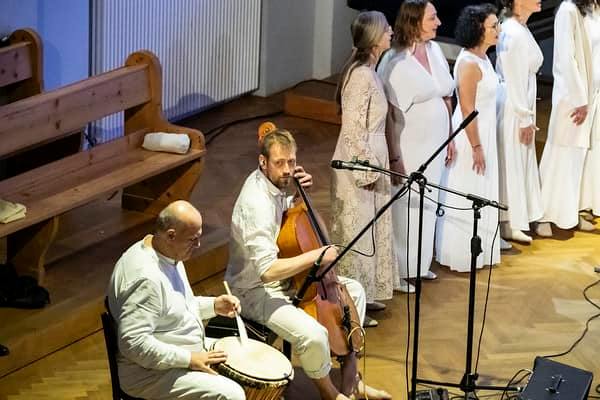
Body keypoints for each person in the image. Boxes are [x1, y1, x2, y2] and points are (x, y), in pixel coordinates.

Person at [225, 128, 391, 400]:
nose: (287, 170)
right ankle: (330, 393)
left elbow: (286, 229)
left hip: (289, 279)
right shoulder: (255, 203)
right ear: (262, 162)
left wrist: (298, 196)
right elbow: (267, 271)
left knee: (354, 293)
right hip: (254, 290)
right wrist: (317, 256)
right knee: (312, 334)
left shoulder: (276, 185)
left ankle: (351, 380)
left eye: (291, 161)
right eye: (279, 163)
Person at [107, 200, 246, 400]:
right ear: (171, 235)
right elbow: (133, 343)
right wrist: (189, 359)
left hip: (182, 352)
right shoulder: (147, 279)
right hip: (150, 374)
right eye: (193, 239)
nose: (198, 245)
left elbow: (175, 308)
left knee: (244, 355)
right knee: (232, 395)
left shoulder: (166, 251)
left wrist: (214, 305)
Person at [378, 0, 456, 291]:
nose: (439, 23)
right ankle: (399, 271)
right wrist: (394, 156)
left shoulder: (435, 50)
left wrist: (450, 136)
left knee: (429, 201)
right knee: (406, 206)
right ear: (414, 21)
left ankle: (419, 265)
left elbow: (446, 96)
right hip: (409, 143)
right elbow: (388, 112)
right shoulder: (394, 59)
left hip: (436, 142)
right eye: (432, 18)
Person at [330, 11, 396, 323]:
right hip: (359, 164)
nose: (391, 31)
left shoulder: (370, 72)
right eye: (386, 29)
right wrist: (365, 169)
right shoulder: (360, 77)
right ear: (373, 38)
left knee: (370, 232)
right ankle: (350, 306)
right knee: (356, 234)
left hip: (373, 159)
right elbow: (353, 130)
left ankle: (365, 295)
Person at [436, 4, 503, 272]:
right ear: (478, 30)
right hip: (470, 135)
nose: (498, 30)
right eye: (493, 26)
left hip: (484, 130)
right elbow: (467, 109)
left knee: (482, 187)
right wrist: (476, 146)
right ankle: (461, 252)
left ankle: (481, 249)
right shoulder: (468, 64)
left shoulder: (484, 58)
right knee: (467, 189)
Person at [538, 0, 599, 233]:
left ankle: (572, 212)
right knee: (561, 154)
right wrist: (579, 98)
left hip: (591, 95)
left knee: (579, 158)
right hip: (573, 97)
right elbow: (566, 58)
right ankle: (544, 216)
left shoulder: (592, 10)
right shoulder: (567, 10)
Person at [495, 0, 546, 242]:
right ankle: (509, 221)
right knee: (512, 160)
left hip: (522, 102)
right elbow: (513, 78)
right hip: (513, 107)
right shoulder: (511, 32)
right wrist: (524, 116)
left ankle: (518, 218)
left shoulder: (520, 28)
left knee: (520, 160)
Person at [580, 2, 600, 215]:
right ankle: (584, 201)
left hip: (596, 89)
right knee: (590, 146)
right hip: (589, 90)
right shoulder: (583, 14)